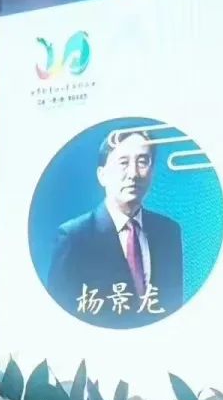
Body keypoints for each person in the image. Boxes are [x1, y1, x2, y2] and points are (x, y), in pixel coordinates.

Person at [46, 128, 183, 328]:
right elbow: (57, 317)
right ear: (102, 175)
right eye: (123, 163)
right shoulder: (74, 237)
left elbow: (173, 307)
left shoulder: (168, 232)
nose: (133, 174)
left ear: (152, 171)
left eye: (142, 162)